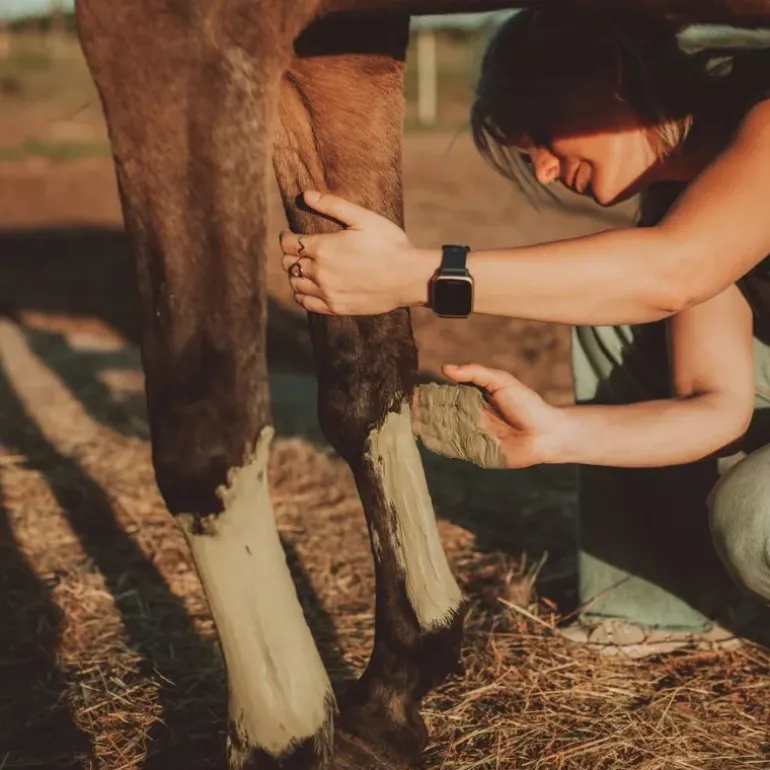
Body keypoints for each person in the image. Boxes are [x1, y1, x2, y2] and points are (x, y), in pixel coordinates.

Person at [279, 8, 770, 654]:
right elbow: (715, 403)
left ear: (614, 72)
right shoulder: (679, 203)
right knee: (612, 305)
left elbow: (673, 273)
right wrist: (554, 434)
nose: (541, 169)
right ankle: (654, 608)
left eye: (541, 131)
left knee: (757, 521)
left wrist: (417, 275)